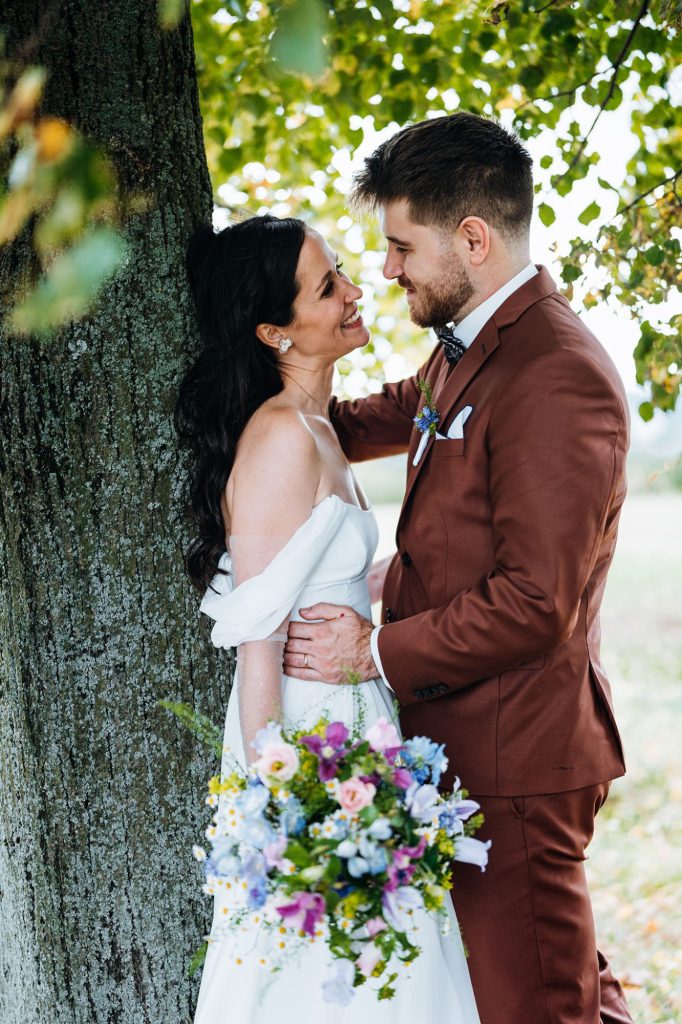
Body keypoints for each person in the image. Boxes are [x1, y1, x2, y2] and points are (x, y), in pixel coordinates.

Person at [282, 112, 634, 1024]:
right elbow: (365, 421)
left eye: (402, 247)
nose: (386, 270)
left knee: (537, 1005)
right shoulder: (469, 350)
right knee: (554, 981)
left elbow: (536, 600)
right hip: (465, 742)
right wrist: (277, 395)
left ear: (473, 239)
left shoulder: (556, 373)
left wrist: (371, 653)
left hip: (515, 756)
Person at [175, 213, 482, 1024]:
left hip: (359, 730)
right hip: (309, 751)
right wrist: (280, 814)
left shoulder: (317, 428)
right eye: (326, 287)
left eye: (341, 271)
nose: (354, 292)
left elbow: (322, 577)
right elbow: (257, 647)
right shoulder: (280, 437)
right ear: (274, 331)